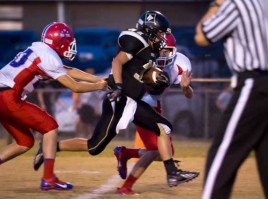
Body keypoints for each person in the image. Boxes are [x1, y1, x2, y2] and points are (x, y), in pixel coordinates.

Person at [33, 11, 199, 188]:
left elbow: (144, 74)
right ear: (150, 30)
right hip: (120, 98)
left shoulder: (154, 52)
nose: (162, 38)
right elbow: (117, 62)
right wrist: (118, 86)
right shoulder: (138, 42)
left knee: (160, 129)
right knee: (95, 146)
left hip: (132, 101)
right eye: (159, 33)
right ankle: (50, 146)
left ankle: (172, 173)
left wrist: (176, 84)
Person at [0, 22, 107, 194]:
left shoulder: (40, 50)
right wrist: (100, 87)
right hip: (9, 97)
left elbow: (68, 70)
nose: (71, 45)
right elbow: (75, 87)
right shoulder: (49, 57)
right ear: (58, 41)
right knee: (50, 127)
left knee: (24, 142)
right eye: (69, 41)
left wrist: (100, 80)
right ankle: (48, 178)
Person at [195, 0, 268, 198]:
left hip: (253, 84)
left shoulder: (236, 4)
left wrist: (216, 4)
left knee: (222, 156)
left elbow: (202, 36)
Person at [114, 33, 196, 195]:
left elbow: (189, 95)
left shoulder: (181, 63)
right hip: (138, 102)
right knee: (155, 150)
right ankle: (126, 187)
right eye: (160, 50)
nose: (163, 54)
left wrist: (186, 87)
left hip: (154, 103)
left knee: (166, 152)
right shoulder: (144, 56)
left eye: (167, 51)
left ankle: (125, 153)